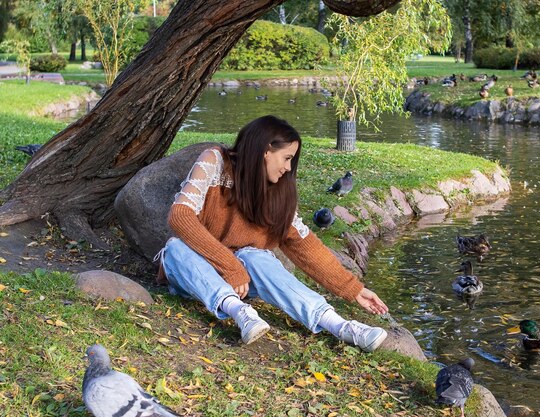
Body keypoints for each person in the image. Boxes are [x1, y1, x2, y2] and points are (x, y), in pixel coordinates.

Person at [157, 115, 388, 352]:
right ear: (266, 150)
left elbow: (306, 246)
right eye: (287, 158)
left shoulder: (279, 192)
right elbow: (180, 216)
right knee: (174, 248)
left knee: (256, 256)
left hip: (242, 284)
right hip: (195, 276)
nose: (288, 167)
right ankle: (239, 312)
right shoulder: (215, 161)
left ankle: (341, 327)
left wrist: (355, 289)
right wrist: (230, 266)